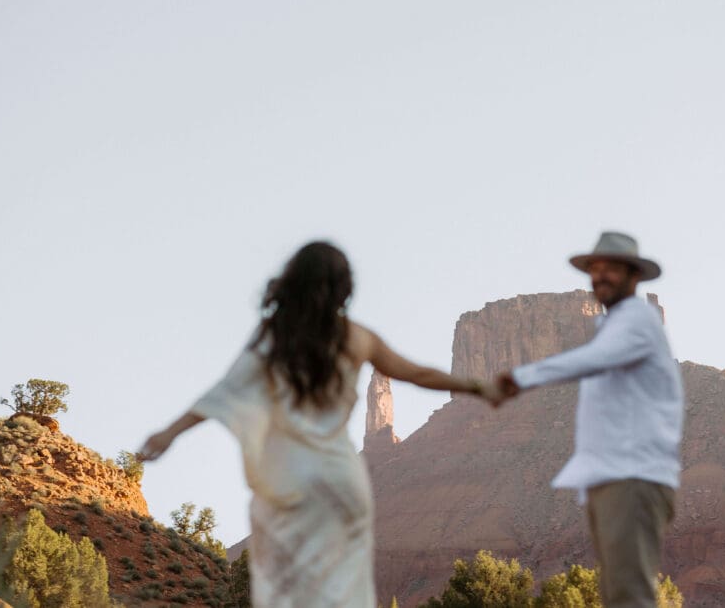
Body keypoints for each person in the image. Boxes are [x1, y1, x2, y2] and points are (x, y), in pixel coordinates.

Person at [138, 241, 499, 608]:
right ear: (344, 287)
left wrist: (170, 432)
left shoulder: (275, 335)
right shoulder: (356, 337)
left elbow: (226, 391)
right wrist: (478, 386)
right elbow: (417, 373)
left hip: (288, 479)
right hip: (341, 480)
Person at [495, 231, 684, 608]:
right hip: (613, 476)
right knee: (618, 596)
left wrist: (522, 377)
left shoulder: (637, 320)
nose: (600, 276)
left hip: (634, 475)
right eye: (594, 269)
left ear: (634, 275)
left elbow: (592, 360)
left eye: (610, 268)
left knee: (631, 597)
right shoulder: (611, 326)